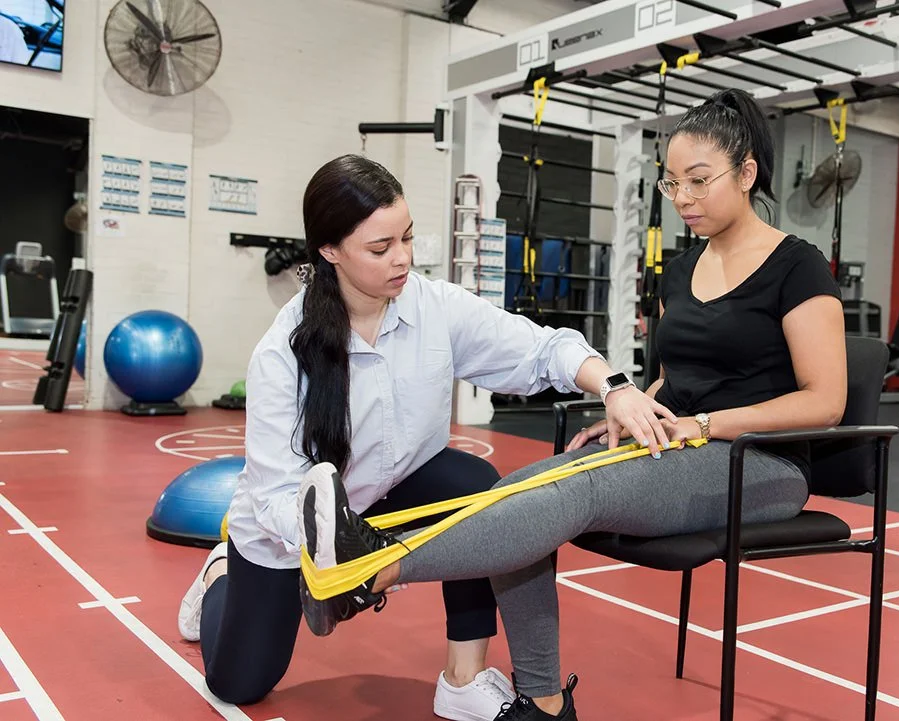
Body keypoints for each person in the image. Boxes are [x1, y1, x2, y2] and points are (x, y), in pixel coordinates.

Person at [299, 87, 848, 721]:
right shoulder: (679, 270)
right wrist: (629, 409)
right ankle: (544, 700)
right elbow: (677, 379)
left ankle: (370, 572)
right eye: (672, 184)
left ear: (747, 172)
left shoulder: (798, 268)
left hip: (764, 465)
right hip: (682, 443)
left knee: (574, 495)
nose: (684, 199)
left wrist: (702, 425)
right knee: (515, 491)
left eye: (699, 181)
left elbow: (825, 402)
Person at [176, 154, 674, 720]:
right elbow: (272, 495)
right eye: (380, 248)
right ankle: (219, 574)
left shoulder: (435, 307)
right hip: (286, 532)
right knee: (241, 683)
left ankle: (463, 677)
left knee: (478, 489)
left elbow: (540, 348)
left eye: (407, 238)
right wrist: (337, 547)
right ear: (329, 251)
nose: (403, 259)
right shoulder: (282, 352)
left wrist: (614, 387)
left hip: (395, 490)